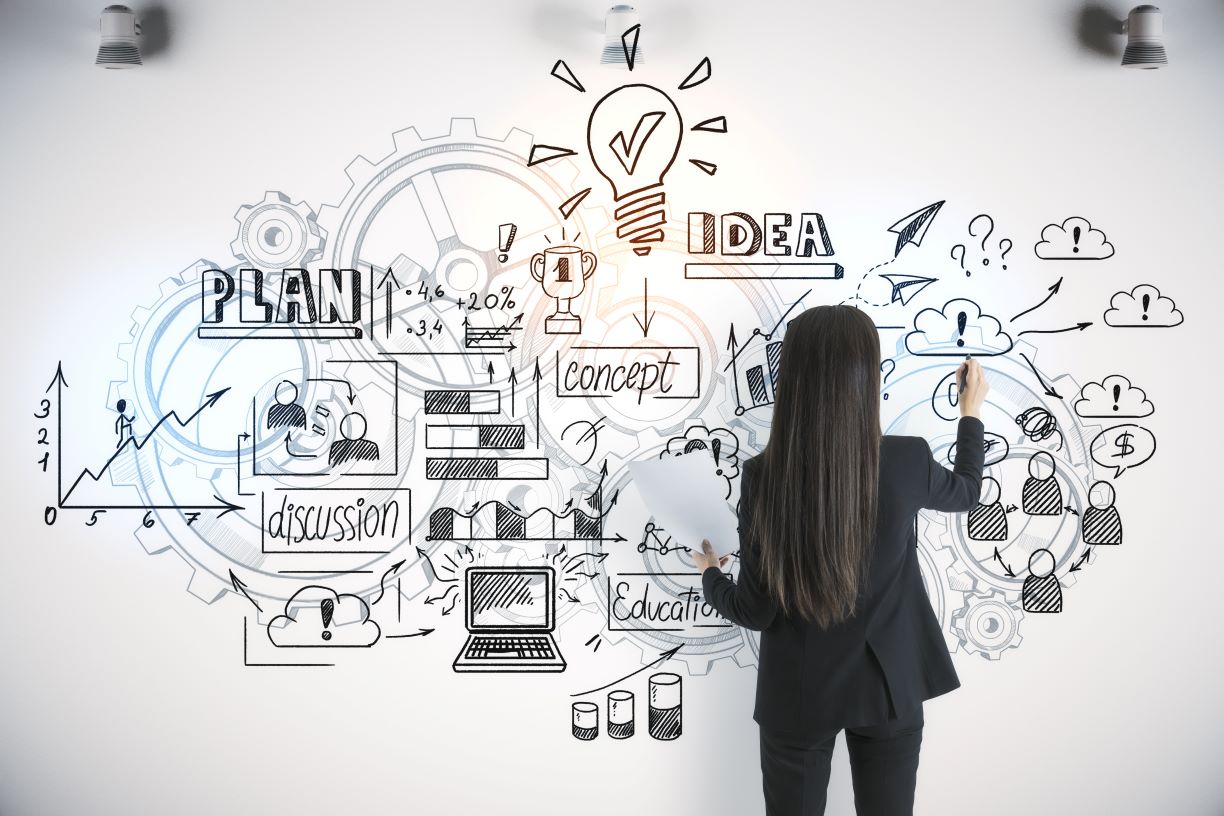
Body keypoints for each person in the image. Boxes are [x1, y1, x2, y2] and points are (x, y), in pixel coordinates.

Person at [696, 305, 988, 816]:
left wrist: (710, 576)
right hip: (888, 684)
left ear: (796, 380)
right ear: (867, 375)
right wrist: (970, 415)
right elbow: (966, 493)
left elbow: (756, 610)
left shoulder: (764, 477)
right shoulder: (906, 460)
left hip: (799, 692)